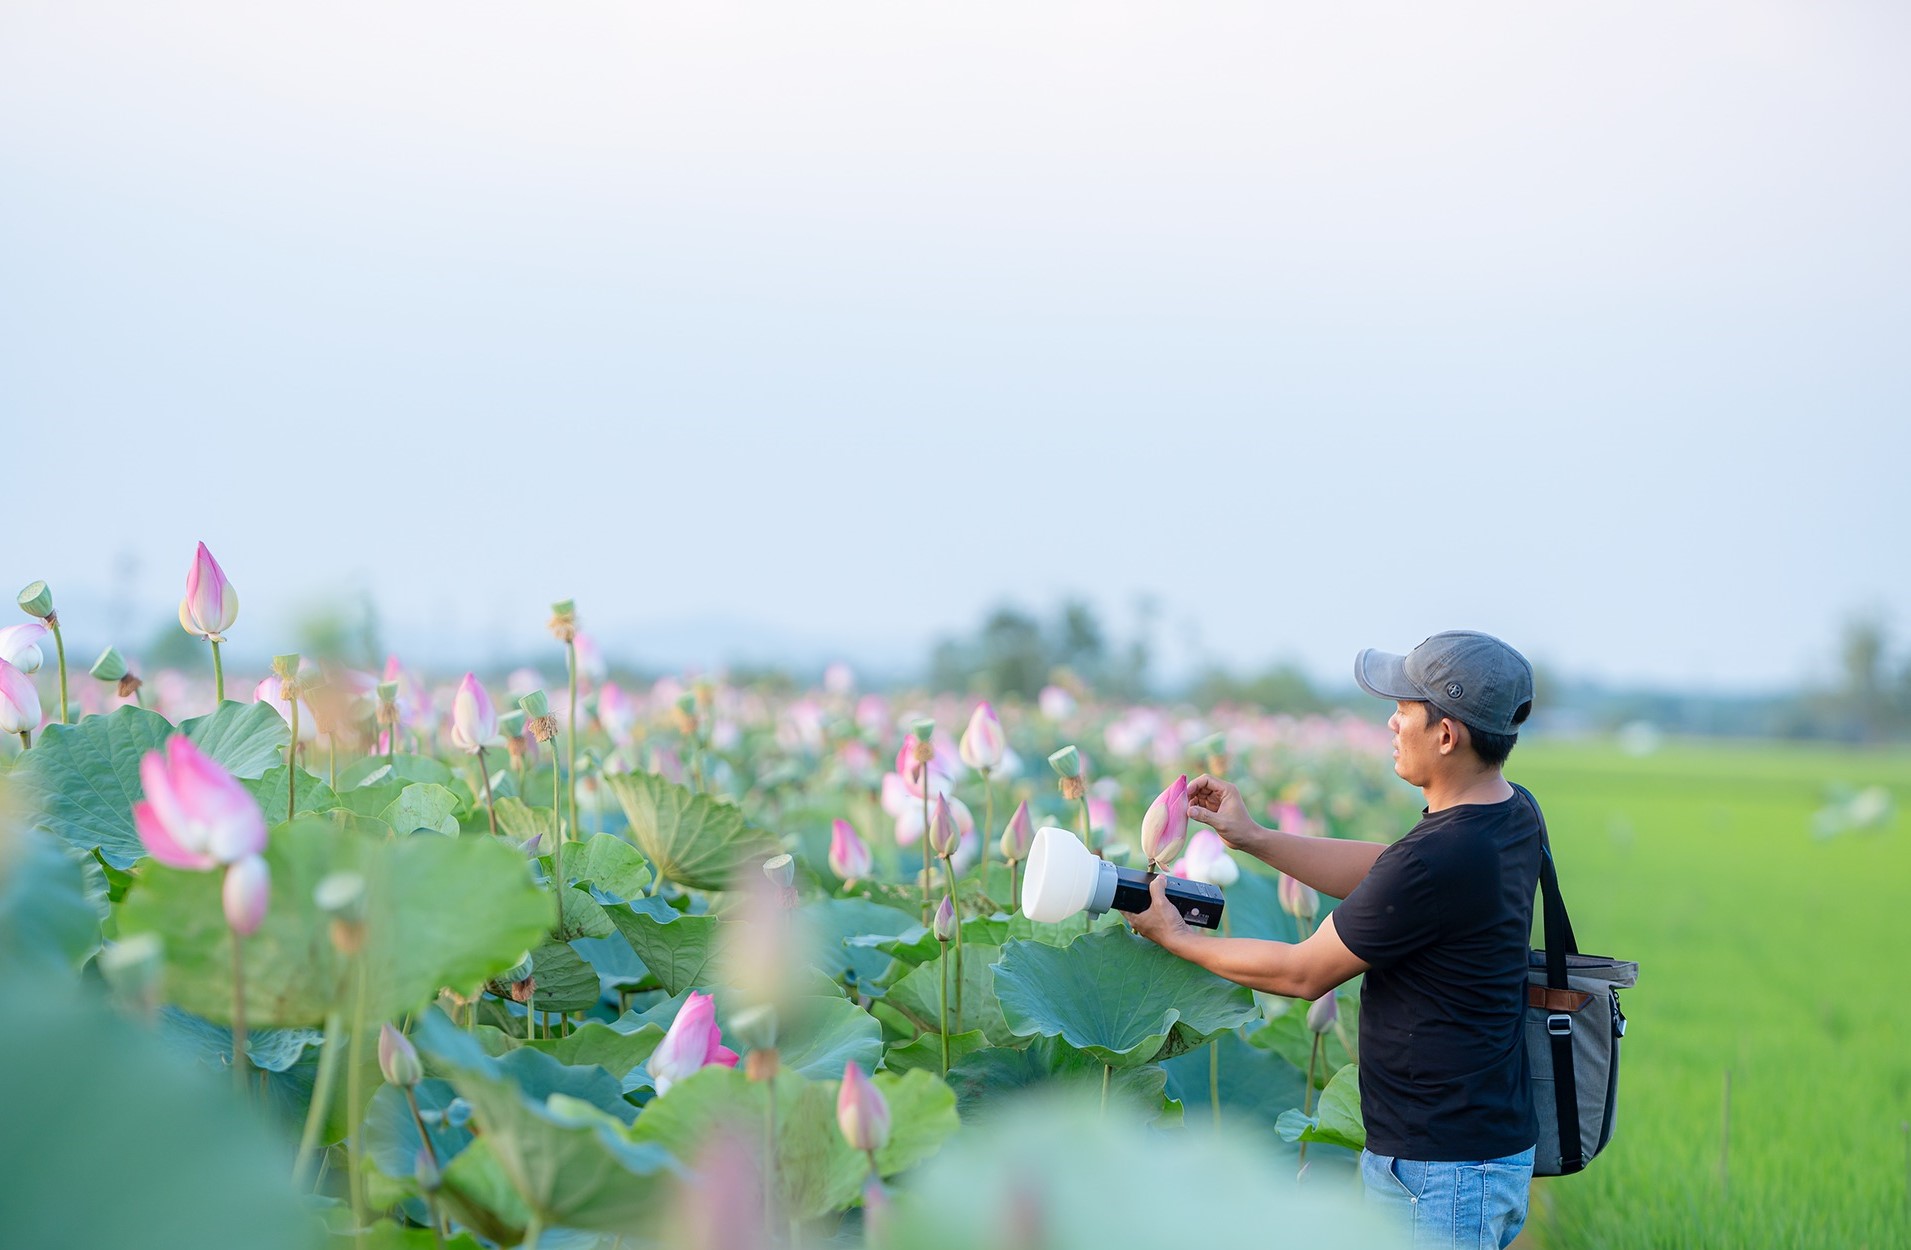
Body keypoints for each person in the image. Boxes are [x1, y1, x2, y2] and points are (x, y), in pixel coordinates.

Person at [1122, 630, 1542, 1250]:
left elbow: (1302, 973)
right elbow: (1388, 868)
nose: (1391, 724)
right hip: (1473, 1148)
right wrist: (1255, 837)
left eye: (1403, 710)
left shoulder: (1440, 857)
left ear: (1447, 734)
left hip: (1441, 1169)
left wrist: (1174, 935)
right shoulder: (1508, 812)